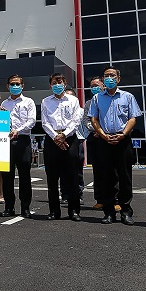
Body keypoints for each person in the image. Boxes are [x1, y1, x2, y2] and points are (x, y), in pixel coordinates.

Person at [88, 66, 141, 225]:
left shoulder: (128, 97)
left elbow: (133, 118)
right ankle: (109, 211)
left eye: (112, 76)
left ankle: (126, 210)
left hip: (122, 139)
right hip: (104, 140)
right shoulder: (97, 98)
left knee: (125, 176)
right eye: (106, 76)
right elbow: (94, 119)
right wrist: (103, 135)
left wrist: (123, 134)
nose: (109, 78)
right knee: (106, 177)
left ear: (118, 79)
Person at [41, 73, 83, 221]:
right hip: (52, 140)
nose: (57, 84)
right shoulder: (46, 101)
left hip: (70, 139)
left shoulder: (73, 100)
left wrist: (64, 135)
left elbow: (76, 120)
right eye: (54, 82)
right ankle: (54, 211)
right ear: (50, 85)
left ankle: (74, 211)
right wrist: (55, 137)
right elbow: (45, 122)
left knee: (72, 177)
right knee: (52, 178)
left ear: (65, 83)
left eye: (60, 82)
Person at [0, 75, 35, 218]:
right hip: (7, 142)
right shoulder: (4, 104)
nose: (15, 86)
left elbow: (32, 121)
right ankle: (9, 207)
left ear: (22, 85)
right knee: (7, 177)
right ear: (8, 86)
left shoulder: (29, 102)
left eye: (17, 84)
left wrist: (18, 131)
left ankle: (25, 207)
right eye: (12, 84)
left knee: (24, 176)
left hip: (23, 141)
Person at [78, 78, 106, 210]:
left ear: (103, 86)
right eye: (91, 86)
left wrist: (103, 132)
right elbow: (86, 120)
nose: (94, 87)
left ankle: (116, 199)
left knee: (113, 170)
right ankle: (100, 199)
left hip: (109, 137)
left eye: (96, 85)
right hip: (94, 138)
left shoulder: (109, 100)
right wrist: (96, 130)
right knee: (98, 170)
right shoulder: (89, 103)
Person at [60, 86, 85, 204]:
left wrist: (82, 138)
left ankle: (78, 194)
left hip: (77, 142)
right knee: (63, 170)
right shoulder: (62, 109)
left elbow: (86, 126)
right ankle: (64, 194)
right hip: (62, 141)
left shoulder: (81, 111)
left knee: (77, 170)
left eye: (71, 95)